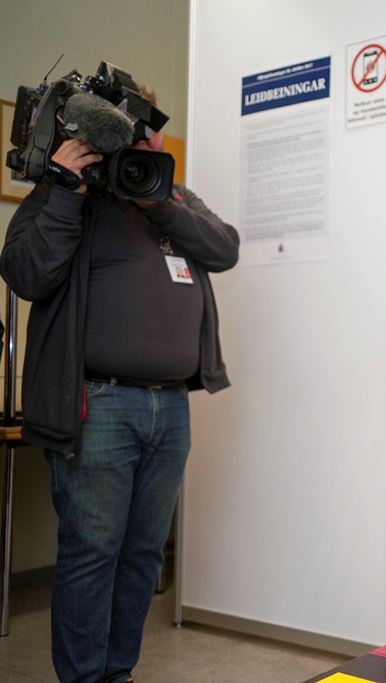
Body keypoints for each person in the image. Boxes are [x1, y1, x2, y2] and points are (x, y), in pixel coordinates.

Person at [0, 87, 238, 683]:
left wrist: (160, 200)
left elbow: (224, 247)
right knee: (92, 554)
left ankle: (118, 674)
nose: (142, 140)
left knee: (140, 556)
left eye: (151, 128)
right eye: (129, 129)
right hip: (98, 403)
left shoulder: (170, 194)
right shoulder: (63, 195)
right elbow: (26, 273)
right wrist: (64, 190)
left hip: (172, 407)